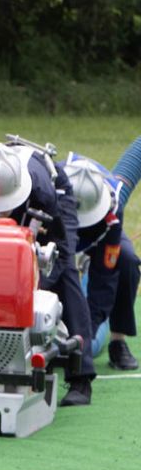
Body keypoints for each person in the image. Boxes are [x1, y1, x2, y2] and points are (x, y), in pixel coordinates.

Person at [0, 142, 98, 404]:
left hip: (50, 201)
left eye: (1, 208)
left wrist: (34, 287)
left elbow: (58, 251)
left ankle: (81, 377)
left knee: (65, 271)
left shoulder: (43, 194)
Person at [64, 154, 139, 371]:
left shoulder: (112, 208)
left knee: (126, 260)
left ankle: (118, 341)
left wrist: (86, 336)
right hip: (58, 231)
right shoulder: (47, 192)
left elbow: (105, 280)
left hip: (98, 234)